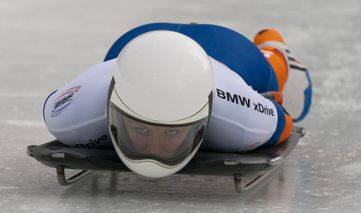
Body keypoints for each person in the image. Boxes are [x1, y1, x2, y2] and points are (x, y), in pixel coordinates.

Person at [43, 23, 312, 178]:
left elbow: (282, 122)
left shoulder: (241, 117)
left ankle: (275, 50)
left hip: (227, 53)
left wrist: (263, 100)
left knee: (266, 77)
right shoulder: (74, 113)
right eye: (140, 128)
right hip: (138, 45)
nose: (154, 148)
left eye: (171, 131)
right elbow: (54, 102)